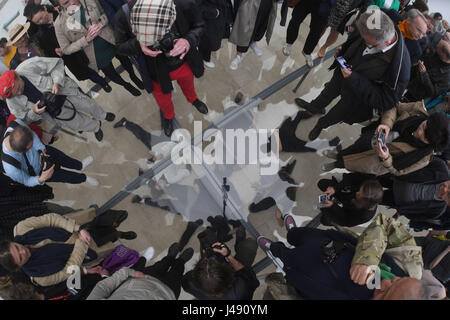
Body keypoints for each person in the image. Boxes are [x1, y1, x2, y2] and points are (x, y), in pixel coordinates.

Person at [257, 212, 445, 299]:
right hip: (327, 242)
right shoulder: (410, 266)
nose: (384, 284)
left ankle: (275, 249)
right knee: (300, 235)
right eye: (395, 281)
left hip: (299, 271)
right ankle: (292, 232)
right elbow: (386, 224)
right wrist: (367, 259)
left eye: (384, 296)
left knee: (285, 255)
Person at [296, 8, 411, 141]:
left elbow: (385, 100)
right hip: (341, 75)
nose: (364, 42)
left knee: (336, 113)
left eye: (368, 42)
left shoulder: (401, 68)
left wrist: (354, 79)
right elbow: (354, 42)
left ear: (386, 42)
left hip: (356, 96)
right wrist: (343, 52)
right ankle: (313, 109)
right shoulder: (371, 27)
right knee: (326, 93)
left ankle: (320, 125)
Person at [114, 0, 209, 137]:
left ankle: (193, 99)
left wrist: (187, 40)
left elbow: (199, 25)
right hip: (155, 70)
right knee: (163, 99)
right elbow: (120, 47)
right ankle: (168, 116)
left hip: (183, 62)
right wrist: (139, 44)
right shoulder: (124, 15)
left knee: (188, 84)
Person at [0, 208, 136, 287]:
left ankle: (115, 224)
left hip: (75, 227)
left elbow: (51, 219)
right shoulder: (39, 277)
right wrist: (81, 243)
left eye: (17, 247)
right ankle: (119, 235)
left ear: (12, 241)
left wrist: (79, 229)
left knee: (101, 221)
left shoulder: (21, 229)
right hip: (84, 251)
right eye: (20, 257)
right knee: (107, 240)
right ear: (18, 267)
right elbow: (69, 270)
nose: (23, 251)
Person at [0, 58, 115, 142]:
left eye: (19, 88)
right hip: (53, 112)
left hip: (64, 92)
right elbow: (23, 119)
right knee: (77, 123)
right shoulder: (11, 102)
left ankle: (103, 115)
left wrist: (57, 82)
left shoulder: (28, 66)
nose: (19, 93)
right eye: (16, 94)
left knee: (87, 105)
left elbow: (56, 64)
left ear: (17, 76)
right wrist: (34, 112)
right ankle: (95, 127)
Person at [323, 102, 449, 176]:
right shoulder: (419, 111)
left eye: (423, 133)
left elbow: (399, 171)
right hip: (373, 136)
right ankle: (338, 155)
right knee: (354, 147)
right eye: (424, 124)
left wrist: (386, 158)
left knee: (350, 162)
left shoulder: (423, 158)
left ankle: (335, 164)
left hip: (374, 159)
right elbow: (394, 106)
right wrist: (387, 124)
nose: (419, 129)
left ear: (429, 142)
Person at [54, 0, 141, 96]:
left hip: (111, 40)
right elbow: (66, 49)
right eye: (66, 3)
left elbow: (107, 12)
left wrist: (100, 24)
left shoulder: (90, 1)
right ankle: (126, 85)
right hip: (95, 55)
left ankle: (133, 77)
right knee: (111, 74)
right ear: (59, 5)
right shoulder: (59, 23)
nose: (71, 3)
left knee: (126, 60)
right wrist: (85, 40)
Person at [23, 2, 121, 88]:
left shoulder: (64, 13)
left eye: (41, 17)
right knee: (93, 74)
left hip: (91, 45)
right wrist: (56, 51)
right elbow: (50, 52)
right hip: (75, 58)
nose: (41, 21)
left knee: (110, 64)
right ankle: (103, 83)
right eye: (37, 22)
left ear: (44, 9)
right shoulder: (42, 35)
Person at [1, 120, 99, 187]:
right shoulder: (10, 168)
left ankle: (80, 166)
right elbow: (26, 180)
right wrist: (40, 179)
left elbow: (32, 135)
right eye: (31, 146)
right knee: (65, 176)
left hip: (45, 152)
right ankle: (83, 178)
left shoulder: (16, 124)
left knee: (64, 158)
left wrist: (40, 148)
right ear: (22, 152)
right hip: (41, 171)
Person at [87, 242, 194, 300]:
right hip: (169, 293)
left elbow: (102, 287)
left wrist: (130, 272)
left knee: (161, 265)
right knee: (177, 272)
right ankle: (180, 261)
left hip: (144, 279)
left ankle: (170, 257)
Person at [182, 226, 259, 300]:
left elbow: (187, 280)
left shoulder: (189, 284)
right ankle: (239, 244)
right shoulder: (243, 287)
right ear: (230, 274)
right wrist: (228, 255)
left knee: (208, 242)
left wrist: (205, 257)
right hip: (239, 274)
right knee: (250, 244)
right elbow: (245, 273)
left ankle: (206, 240)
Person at [379, 157, 450, 228]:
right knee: (372, 178)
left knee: (371, 196)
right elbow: (417, 159)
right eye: (449, 186)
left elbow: (415, 216)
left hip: (394, 200)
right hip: (393, 177)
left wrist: (403, 209)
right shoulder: (440, 167)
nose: (445, 189)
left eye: (448, 194)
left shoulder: (437, 210)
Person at [281, 0, 335, 67]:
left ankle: (307, 51)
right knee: (295, 20)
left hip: (325, 4)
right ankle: (289, 42)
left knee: (317, 30)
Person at [317, 173, 383, 227]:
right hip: (348, 197)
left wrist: (333, 206)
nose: (357, 192)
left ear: (363, 203)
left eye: (359, 194)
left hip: (346, 211)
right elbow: (351, 178)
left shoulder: (364, 216)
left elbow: (345, 221)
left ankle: (329, 212)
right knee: (322, 183)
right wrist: (335, 188)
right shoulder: (371, 184)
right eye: (360, 190)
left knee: (324, 220)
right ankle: (331, 203)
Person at [228, 0, 277, 70]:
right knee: (244, 30)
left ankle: (253, 43)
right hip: (251, 3)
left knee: (261, 26)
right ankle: (239, 56)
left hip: (268, 3)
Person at [198, 0, 233, 69]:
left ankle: (205, 57)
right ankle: (204, 59)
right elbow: (197, 6)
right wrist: (213, 12)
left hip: (220, 16)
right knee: (206, 41)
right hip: (209, 19)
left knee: (214, 38)